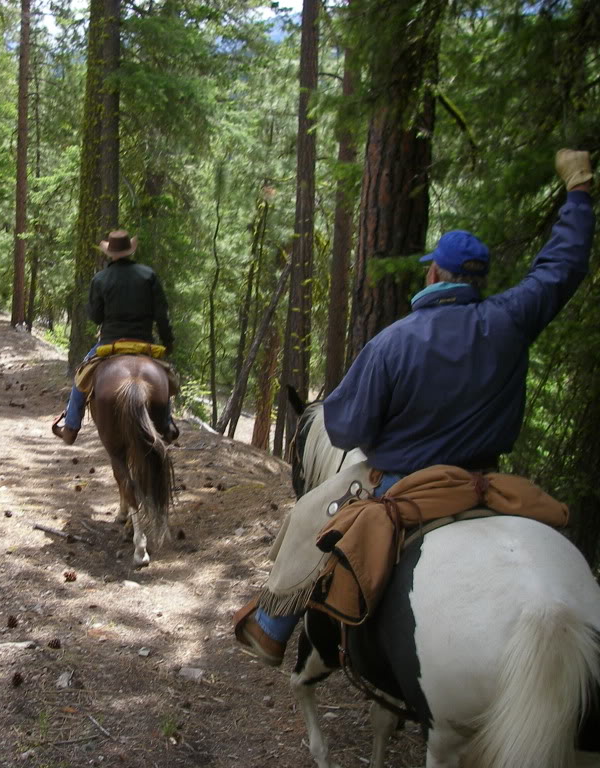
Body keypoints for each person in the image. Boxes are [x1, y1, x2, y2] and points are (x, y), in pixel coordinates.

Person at [236, 149, 595, 667]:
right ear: (476, 281)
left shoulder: (392, 342)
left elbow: (345, 430)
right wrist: (578, 192)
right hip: (484, 480)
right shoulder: (512, 319)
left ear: (434, 275)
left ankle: (272, 628)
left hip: (400, 482)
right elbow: (562, 266)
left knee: (309, 514)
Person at [52, 229, 177, 445]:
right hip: (144, 343)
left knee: (81, 376)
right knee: (164, 376)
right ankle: (166, 423)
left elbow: (96, 317)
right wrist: (168, 342)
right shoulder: (149, 275)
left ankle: (71, 427)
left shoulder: (101, 279)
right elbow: (161, 314)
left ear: (110, 253)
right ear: (130, 251)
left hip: (110, 343)